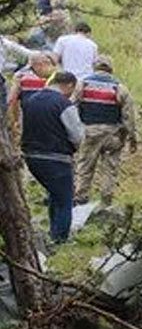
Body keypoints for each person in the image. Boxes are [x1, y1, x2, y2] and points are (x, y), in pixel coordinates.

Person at [22, 71, 84, 244]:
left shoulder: (30, 100)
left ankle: (53, 232)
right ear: (69, 85)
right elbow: (77, 135)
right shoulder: (63, 104)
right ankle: (60, 239)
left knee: (54, 195)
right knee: (65, 199)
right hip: (57, 157)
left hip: (31, 156)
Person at [75, 55, 137, 204]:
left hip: (89, 132)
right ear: (111, 69)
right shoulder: (119, 88)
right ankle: (106, 199)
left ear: (95, 67)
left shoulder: (83, 84)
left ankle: (81, 197)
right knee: (110, 168)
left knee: (85, 166)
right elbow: (128, 117)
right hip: (113, 135)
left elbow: (72, 106)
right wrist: (132, 138)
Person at [6, 52, 55, 139]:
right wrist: (14, 119)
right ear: (38, 65)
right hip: (33, 115)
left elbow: (12, 99)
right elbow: (13, 99)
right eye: (47, 63)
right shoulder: (23, 77)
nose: (50, 66)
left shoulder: (20, 75)